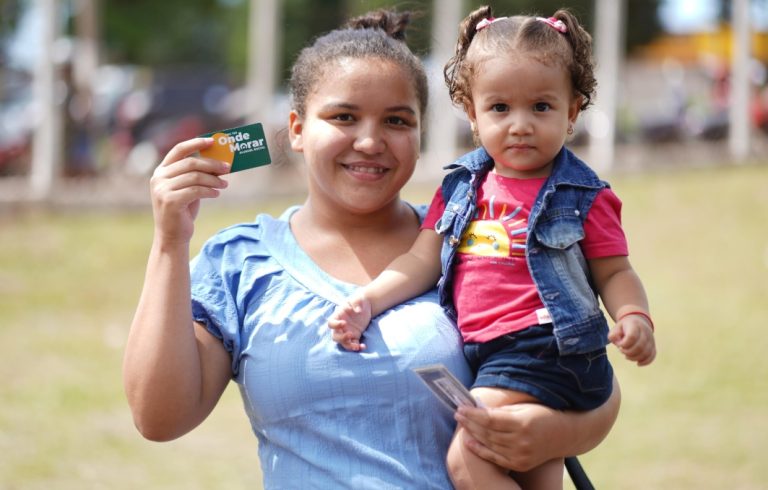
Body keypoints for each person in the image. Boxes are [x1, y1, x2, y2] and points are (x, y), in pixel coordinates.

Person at [123, 8, 622, 489]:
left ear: (422, 134)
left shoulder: (475, 235)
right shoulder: (237, 261)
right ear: (297, 129)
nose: (369, 141)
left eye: (397, 121)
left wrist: (553, 435)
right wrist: (170, 243)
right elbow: (159, 418)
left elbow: (583, 375)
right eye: (343, 117)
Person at [328, 7, 656, 490]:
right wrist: (368, 300)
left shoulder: (582, 195)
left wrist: (634, 316)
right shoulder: (462, 187)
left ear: (571, 112)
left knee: (469, 460)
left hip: (548, 349)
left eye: (541, 107)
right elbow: (422, 261)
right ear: (473, 114)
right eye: (500, 108)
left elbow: (614, 272)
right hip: (491, 354)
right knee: (532, 475)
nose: (520, 124)